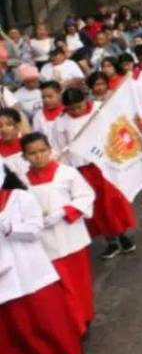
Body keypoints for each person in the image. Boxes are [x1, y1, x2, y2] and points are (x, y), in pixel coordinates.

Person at [0, 166, 87, 354]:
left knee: (48, 327)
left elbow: (35, 230)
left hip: (33, 275)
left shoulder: (21, 198)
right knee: (10, 341)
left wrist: (9, 228)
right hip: (4, 287)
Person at [21, 132, 95, 336]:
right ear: (24, 156)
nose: (38, 156)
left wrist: (64, 211)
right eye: (32, 153)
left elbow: (86, 195)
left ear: (50, 150)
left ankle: (85, 317)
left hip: (71, 236)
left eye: (42, 151)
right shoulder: (22, 184)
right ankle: (76, 325)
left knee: (80, 284)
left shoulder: (67, 173)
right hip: (45, 243)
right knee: (62, 288)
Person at [53, 87, 137, 260]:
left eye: (79, 106)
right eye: (71, 109)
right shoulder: (60, 123)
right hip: (81, 170)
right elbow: (60, 148)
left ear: (86, 101)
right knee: (96, 206)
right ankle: (111, 241)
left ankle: (123, 235)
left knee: (112, 202)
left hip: (104, 164)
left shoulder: (100, 109)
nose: (76, 111)